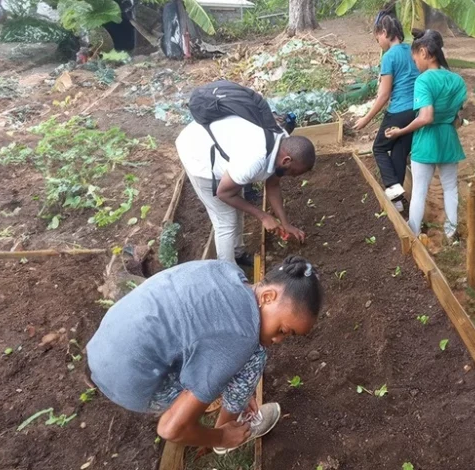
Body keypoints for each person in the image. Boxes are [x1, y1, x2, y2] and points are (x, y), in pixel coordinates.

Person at [86, 256, 323, 454]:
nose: (278, 341)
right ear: (268, 296)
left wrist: (232, 380)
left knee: (235, 354)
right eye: (282, 330)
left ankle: (218, 393)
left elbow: (203, 328)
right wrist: (220, 437)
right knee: (256, 354)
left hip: (104, 347)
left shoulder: (225, 270)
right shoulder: (240, 337)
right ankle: (229, 432)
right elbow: (170, 430)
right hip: (132, 385)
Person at [176, 115, 316, 266]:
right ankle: (228, 274)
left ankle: (237, 253)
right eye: (294, 173)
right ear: (286, 161)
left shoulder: (284, 144)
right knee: (226, 222)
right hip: (197, 152)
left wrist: (285, 223)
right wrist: (263, 216)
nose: (293, 177)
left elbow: (273, 184)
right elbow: (223, 193)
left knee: (237, 207)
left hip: (226, 148)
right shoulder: (253, 160)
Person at [385, 30, 467, 239]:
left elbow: (426, 116)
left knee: (420, 191)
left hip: (426, 140)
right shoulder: (457, 80)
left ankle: (413, 234)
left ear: (423, 52)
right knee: (450, 188)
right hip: (448, 138)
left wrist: (400, 131)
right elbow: (457, 117)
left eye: (415, 59)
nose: (415, 64)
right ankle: (451, 233)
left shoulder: (423, 81)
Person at [353, 14, 420, 212]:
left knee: (380, 148)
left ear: (384, 33)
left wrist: (365, 120)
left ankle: (393, 192)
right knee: (399, 152)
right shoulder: (412, 50)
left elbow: (383, 96)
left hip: (398, 111)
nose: (379, 43)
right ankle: (398, 203)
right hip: (415, 112)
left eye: (377, 39)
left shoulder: (389, 56)